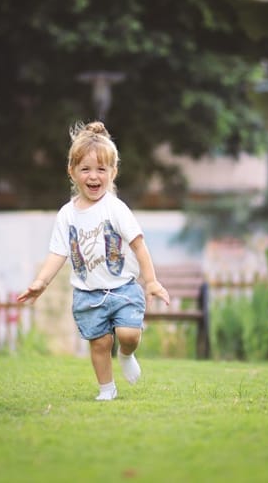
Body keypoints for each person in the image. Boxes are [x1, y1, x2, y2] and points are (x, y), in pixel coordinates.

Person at [17, 120, 170, 401]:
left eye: (101, 169)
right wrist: (41, 282)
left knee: (128, 335)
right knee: (99, 344)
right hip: (88, 294)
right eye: (85, 169)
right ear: (72, 171)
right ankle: (106, 389)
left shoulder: (116, 208)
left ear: (113, 172)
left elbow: (139, 245)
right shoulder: (67, 214)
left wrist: (151, 282)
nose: (93, 176)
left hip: (123, 287)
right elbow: (58, 253)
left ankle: (126, 355)